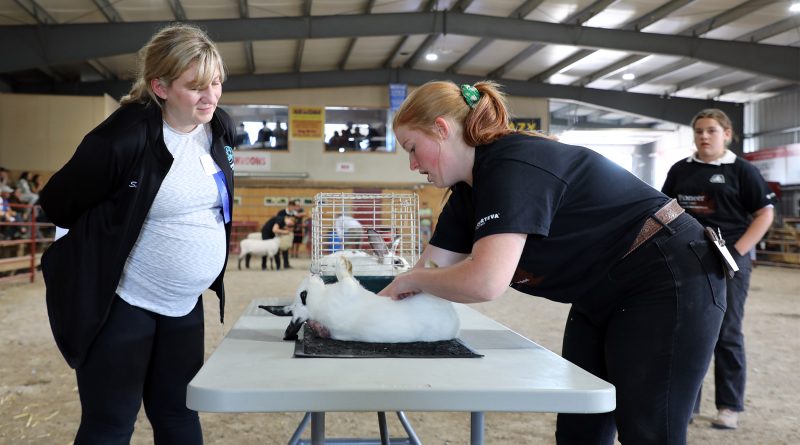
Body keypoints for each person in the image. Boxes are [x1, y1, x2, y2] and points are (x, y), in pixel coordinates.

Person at [378, 80, 728, 445]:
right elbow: (428, 273)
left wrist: (412, 281)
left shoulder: (511, 164)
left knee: (649, 429)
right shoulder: (466, 192)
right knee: (580, 425)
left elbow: (484, 281)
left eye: (412, 148)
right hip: (599, 290)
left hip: (667, 274)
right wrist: (363, 316)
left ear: (441, 128)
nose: (412, 164)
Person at [38, 23, 235, 445]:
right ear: (160, 87)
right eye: (196, 86)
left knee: (180, 416)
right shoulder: (121, 138)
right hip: (123, 300)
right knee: (111, 421)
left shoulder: (219, 128)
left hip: (185, 304)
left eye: (216, 82)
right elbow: (58, 202)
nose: (211, 96)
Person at [662, 108, 775, 430]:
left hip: (730, 263)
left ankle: (729, 406)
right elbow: (665, 210)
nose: (704, 136)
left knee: (726, 332)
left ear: (727, 134)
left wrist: (738, 253)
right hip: (688, 260)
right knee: (686, 331)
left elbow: (764, 213)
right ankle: (686, 404)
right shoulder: (680, 170)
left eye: (711, 130)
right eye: (699, 130)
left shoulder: (742, 171)